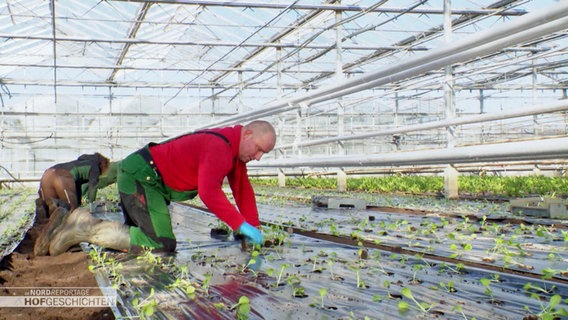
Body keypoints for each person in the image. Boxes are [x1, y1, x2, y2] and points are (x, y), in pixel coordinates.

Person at [34, 120, 276, 256]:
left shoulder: (234, 153)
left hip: (150, 182)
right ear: (247, 133)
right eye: (258, 149)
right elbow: (209, 192)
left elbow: (243, 190)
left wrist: (253, 226)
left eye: (263, 153)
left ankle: (67, 233)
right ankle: (84, 227)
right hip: (143, 176)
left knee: (152, 241)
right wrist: (240, 225)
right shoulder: (220, 148)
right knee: (160, 243)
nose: (258, 157)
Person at [36, 152, 111, 220]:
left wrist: (78, 202)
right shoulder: (95, 167)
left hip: (47, 173)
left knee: (47, 209)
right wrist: (90, 203)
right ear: (102, 164)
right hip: (62, 176)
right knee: (72, 212)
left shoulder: (79, 163)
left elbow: (77, 187)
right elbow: (93, 188)